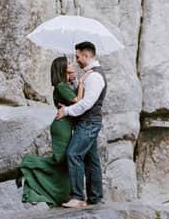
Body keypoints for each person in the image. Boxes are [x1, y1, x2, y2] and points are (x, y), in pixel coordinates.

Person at [18, 56, 85, 206]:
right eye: (68, 63)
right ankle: (29, 164)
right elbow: (78, 102)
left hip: (65, 125)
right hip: (62, 126)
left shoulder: (65, 85)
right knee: (60, 160)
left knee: (65, 163)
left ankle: (65, 196)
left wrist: (74, 81)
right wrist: (80, 83)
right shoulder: (61, 86)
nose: (71, 64)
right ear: (62, 67)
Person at [58, 41, 106, 208]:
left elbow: (86, 104)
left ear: (86, 56)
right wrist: (76, 83)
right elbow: (83, 96)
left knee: (74, 154)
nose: (76, 60)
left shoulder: (95, 77)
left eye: (77, 57)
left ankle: (78, 197)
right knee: (91, 160)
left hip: (89, 122)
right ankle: (95, 197)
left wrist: (67, 111)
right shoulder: (90, 75)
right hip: (88, 122)